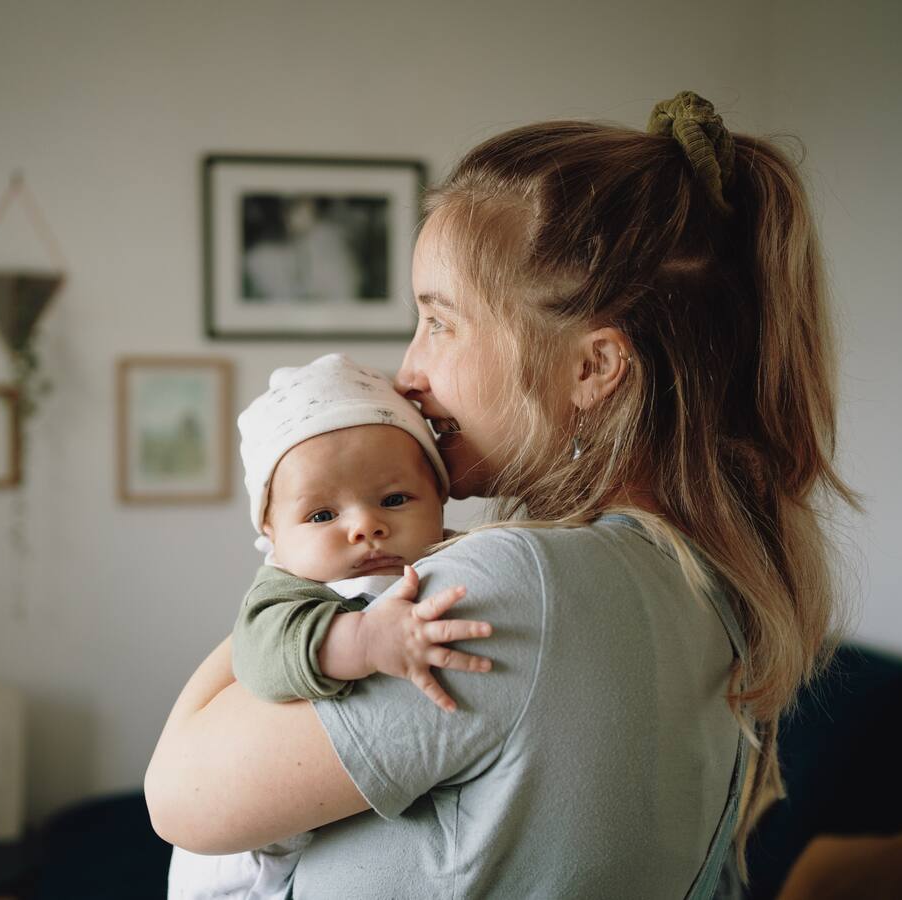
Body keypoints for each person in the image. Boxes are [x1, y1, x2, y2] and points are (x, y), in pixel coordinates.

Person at [146, 91, 858, 898]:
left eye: (439, 322)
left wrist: (293, 564)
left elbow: (178, 796)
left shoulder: (520, 585)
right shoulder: (708, 584)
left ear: (592, 368)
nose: (409, 371)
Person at [168, 353, 493, 900]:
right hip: (243, 867)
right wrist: (364, 640)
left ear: (439, 497)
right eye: (322, 515)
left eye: (394, 499)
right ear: (272, 531)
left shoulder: (459, 559)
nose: (366, 525)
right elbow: (261, 660)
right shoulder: (284, 591)